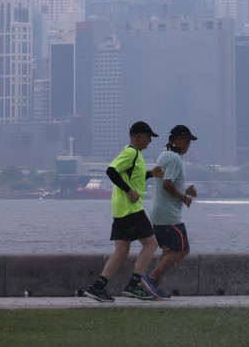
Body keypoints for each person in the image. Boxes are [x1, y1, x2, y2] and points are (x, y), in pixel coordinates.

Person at [84, 120, 165, 302]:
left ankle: (98, 287)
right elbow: (111, 171)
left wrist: (151, 174)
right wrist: (129, 192)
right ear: (139, 136)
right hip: (131, 209)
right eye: (148, 138)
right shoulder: (131, 152)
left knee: (121, 252)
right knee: (151, 244)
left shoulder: (136, 155)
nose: (150, 142)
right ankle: (134, 285)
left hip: (121, 210)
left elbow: (131, 178)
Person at [141, 124, 198, 300]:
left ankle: (152, 286)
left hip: (158, 213)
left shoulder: (164, 155)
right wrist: (184, 198)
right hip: (169, 215)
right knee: (182, 249)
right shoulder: (173, 158)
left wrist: (185, 190)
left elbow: (168, 183)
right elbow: (166, 184)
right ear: (177, 140)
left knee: (168, 250)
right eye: (187, 140)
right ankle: (149, 278)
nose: (189, 144)